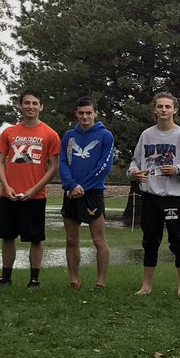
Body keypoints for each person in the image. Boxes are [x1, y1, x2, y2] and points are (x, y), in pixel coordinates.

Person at [127, 92, 180, 298]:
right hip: (151, 196)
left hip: (174, 197)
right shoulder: (146, 135)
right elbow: (135, 161)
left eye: (167, 107)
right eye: (160, 106)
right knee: (150, 241)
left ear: (175, 110)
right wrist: (134, 173)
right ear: (154, 109)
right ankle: (146, 285)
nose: (163, 110)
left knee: (178, 241)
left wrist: (178, 170)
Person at [0, 90, 61, 289]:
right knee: (7, 236)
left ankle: (34, 279)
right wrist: (6, 186)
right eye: (26, 103)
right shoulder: (9, 132)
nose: (30, 106)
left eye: (35, 103)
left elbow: (54, 167)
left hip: (36, 196)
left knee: (35, 238)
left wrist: (34, 189)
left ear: (41, 107)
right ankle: (5, 276)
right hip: (10, 194)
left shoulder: (50, 134)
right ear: (20, 105)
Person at [60, 96, 115, 290]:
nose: (85, 116)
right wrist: (71, 185)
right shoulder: (69, 136)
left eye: (88, 113)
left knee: (98, 239)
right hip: (71, 192)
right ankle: (74, 280)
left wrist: (82, 186)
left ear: (95, 114)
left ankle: (101, 282)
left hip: (92, 193)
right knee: (71, 239)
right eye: (81, 113)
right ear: (76, 113)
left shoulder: (105, 136)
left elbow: (105, 167)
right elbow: (63, 162)